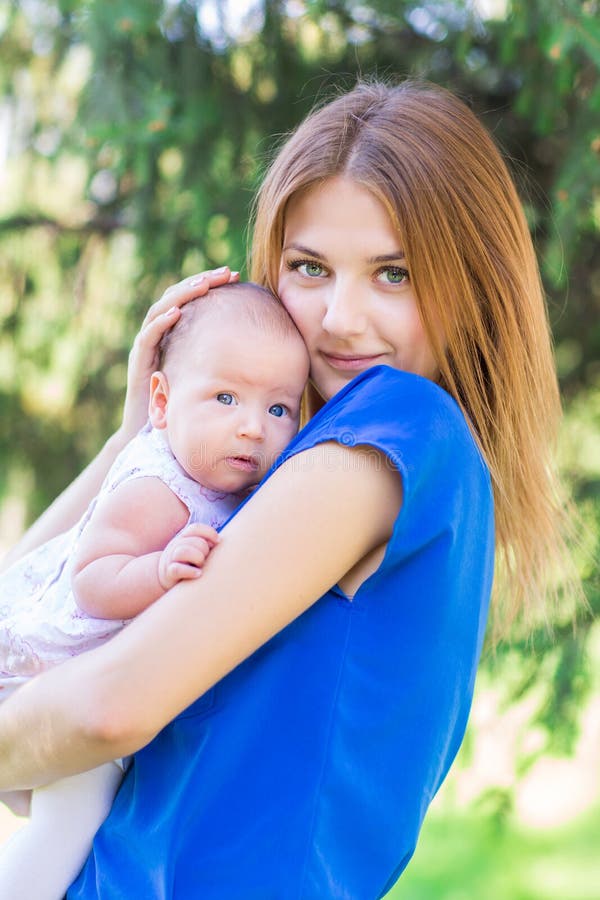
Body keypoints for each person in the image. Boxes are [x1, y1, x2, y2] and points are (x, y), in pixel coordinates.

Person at [0, 80, 579, 898]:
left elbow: (106, 710)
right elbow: (30, 612)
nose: (341, 318)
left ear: (471, 280)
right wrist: (139, 441)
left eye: (395, 273)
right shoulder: (302, 462)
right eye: (310, 267)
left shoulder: (398, 427)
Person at [0, 281, 309, 900]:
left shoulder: (224, 480)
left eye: (280, 409)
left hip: (80, 685)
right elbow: (93, 583)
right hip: (43, 678)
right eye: (225, 398)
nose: (253, 428)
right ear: (161, 401)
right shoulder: (156, 489)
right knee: (68, 823)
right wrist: (160, 570)